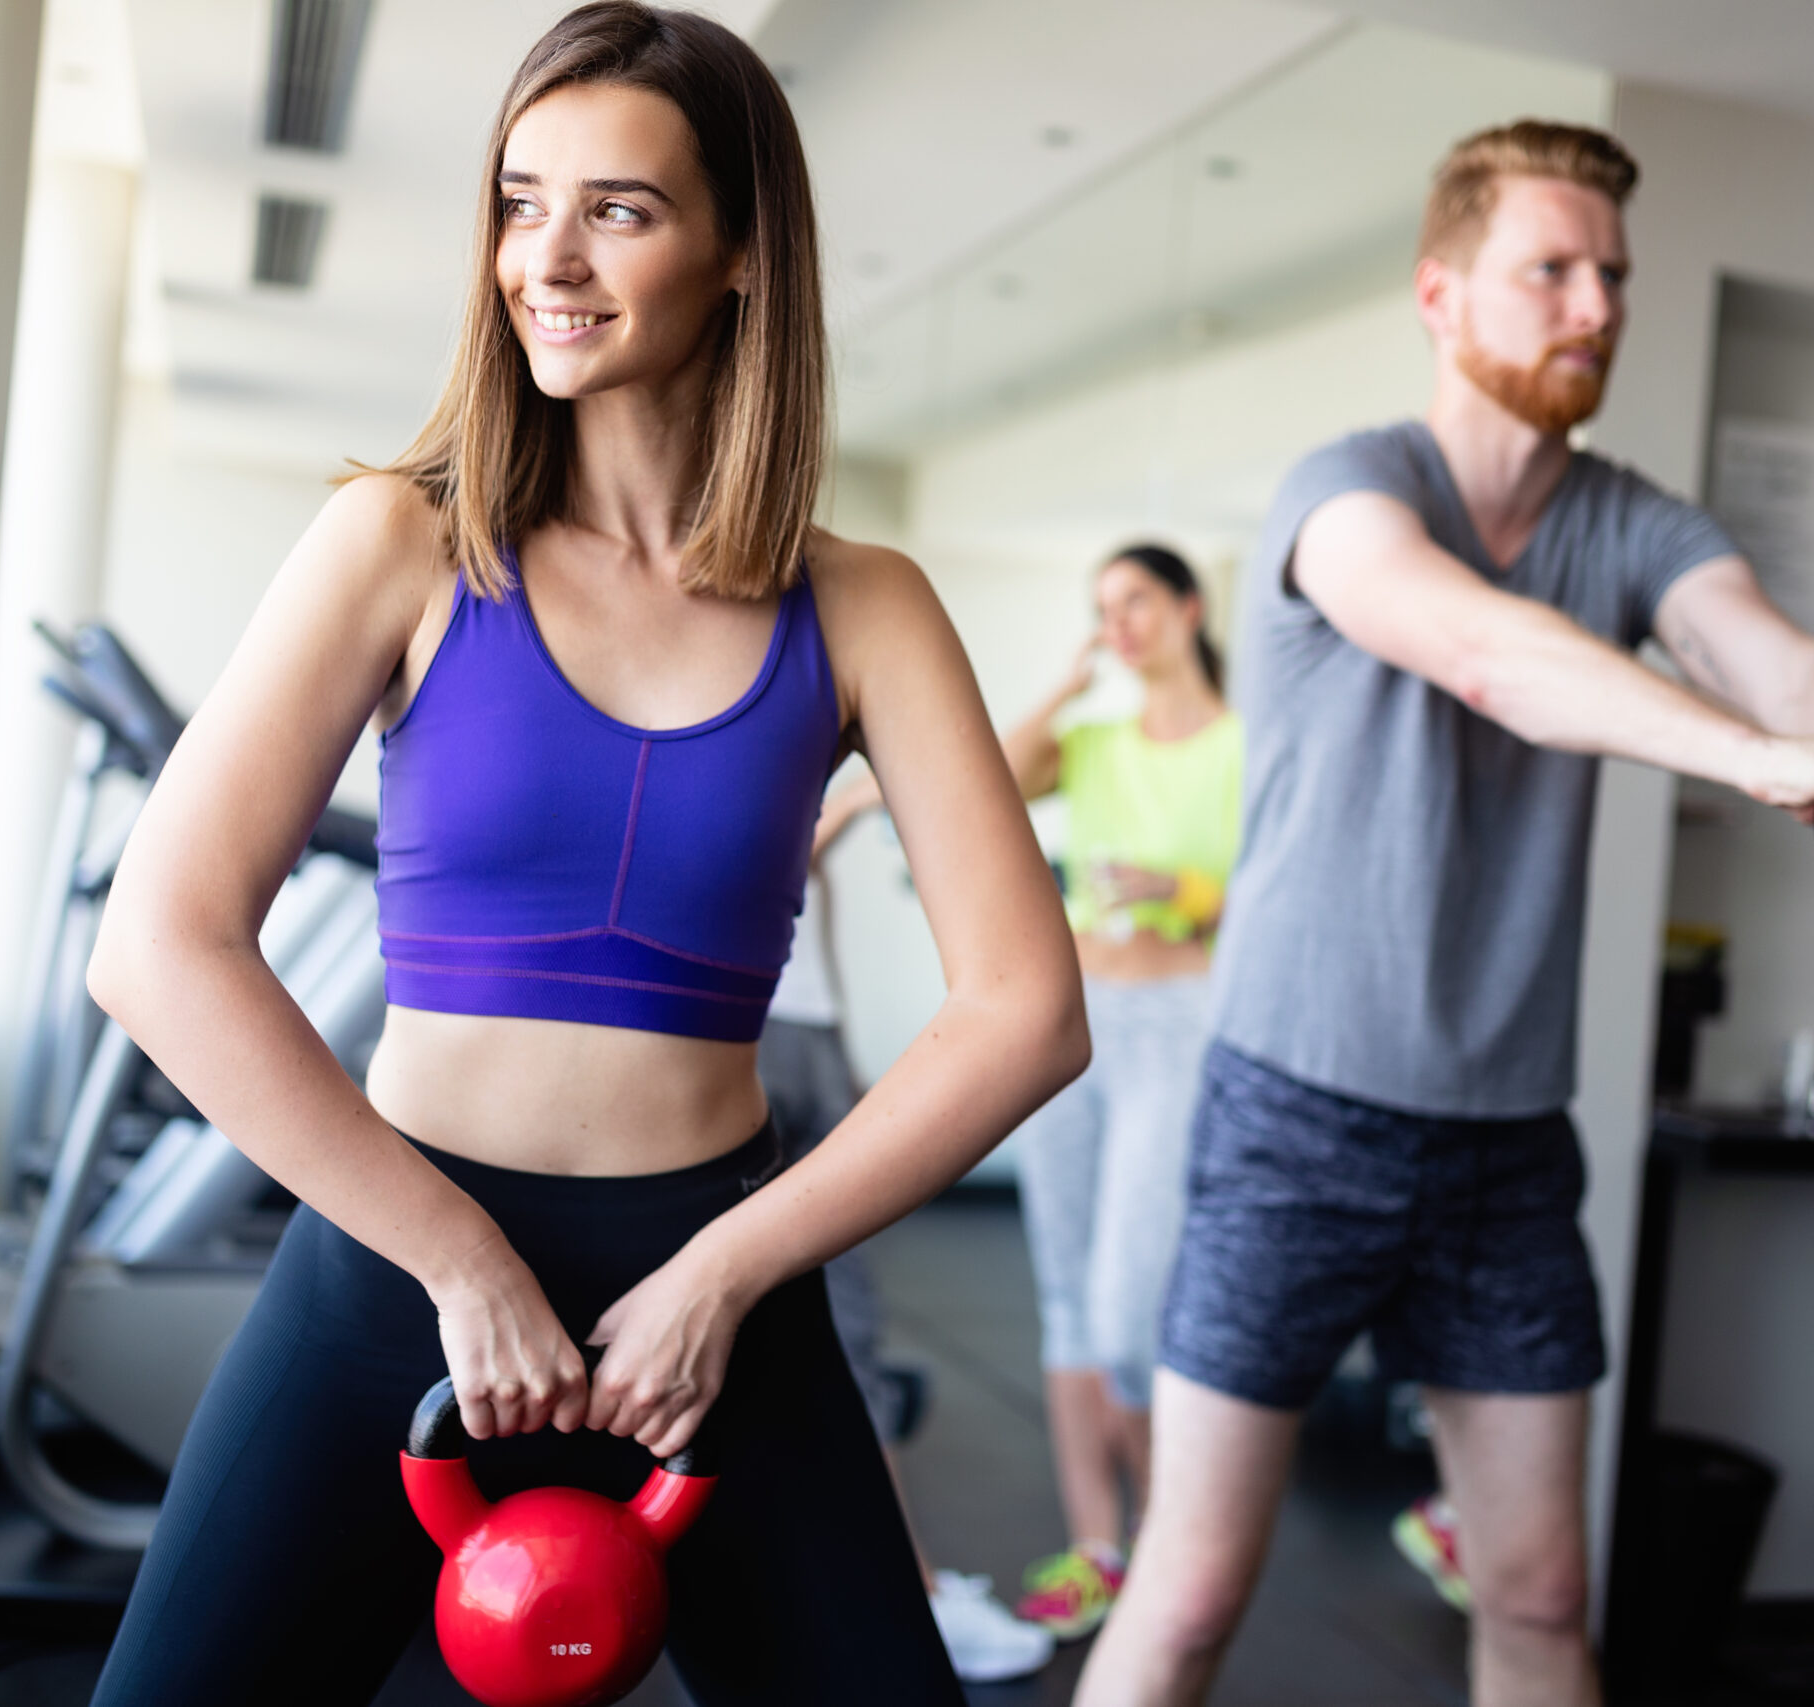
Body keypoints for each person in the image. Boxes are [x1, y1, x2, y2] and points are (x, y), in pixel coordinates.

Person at [80, 9, 1085, 1704]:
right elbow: (161, 941)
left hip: (708, 1297)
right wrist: (460, 1261)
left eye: (618, 208)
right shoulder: (400, 540)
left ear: (744, 252)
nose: (545, 256)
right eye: (518, 199)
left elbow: (1023, 1009)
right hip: (396, 1277)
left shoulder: (866, 608)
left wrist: (728, 1276)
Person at [1075, 120, 1814, 1707]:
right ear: (1442, 295)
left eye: (1613, 274)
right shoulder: (1350, 491)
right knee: (1189, 1593)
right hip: (1293, 1121)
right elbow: (1485, 653)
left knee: (1536, 1591)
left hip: (1504, 1145)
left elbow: (1777, 658)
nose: (1595, 302)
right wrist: (1759, 757)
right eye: (1552, 269)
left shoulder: (1634, 522)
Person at [994, 545, 1243, 1640]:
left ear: (1189, 608)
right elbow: (987, 781)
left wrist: (1180, 889)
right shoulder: (1088, 743)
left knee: (1126, 1308)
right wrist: (1066, 681)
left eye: (1136, 599)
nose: (1122, 622)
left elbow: (1275, 892)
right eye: (1103, 608)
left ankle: (1167, 1547)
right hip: (1073, 1023)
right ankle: (1098, 1545)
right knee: (1064, 1299)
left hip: (1180, 1024)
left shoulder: (1249, 745)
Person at [758, 781, 1058, 1683]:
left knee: (846, 1329)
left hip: (805, 1039)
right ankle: (883, 1591)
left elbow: (812, 912)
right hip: (743, 1041)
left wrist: (842, 1043)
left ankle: (906, 1588)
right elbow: (765, 859)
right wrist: (840, 811)